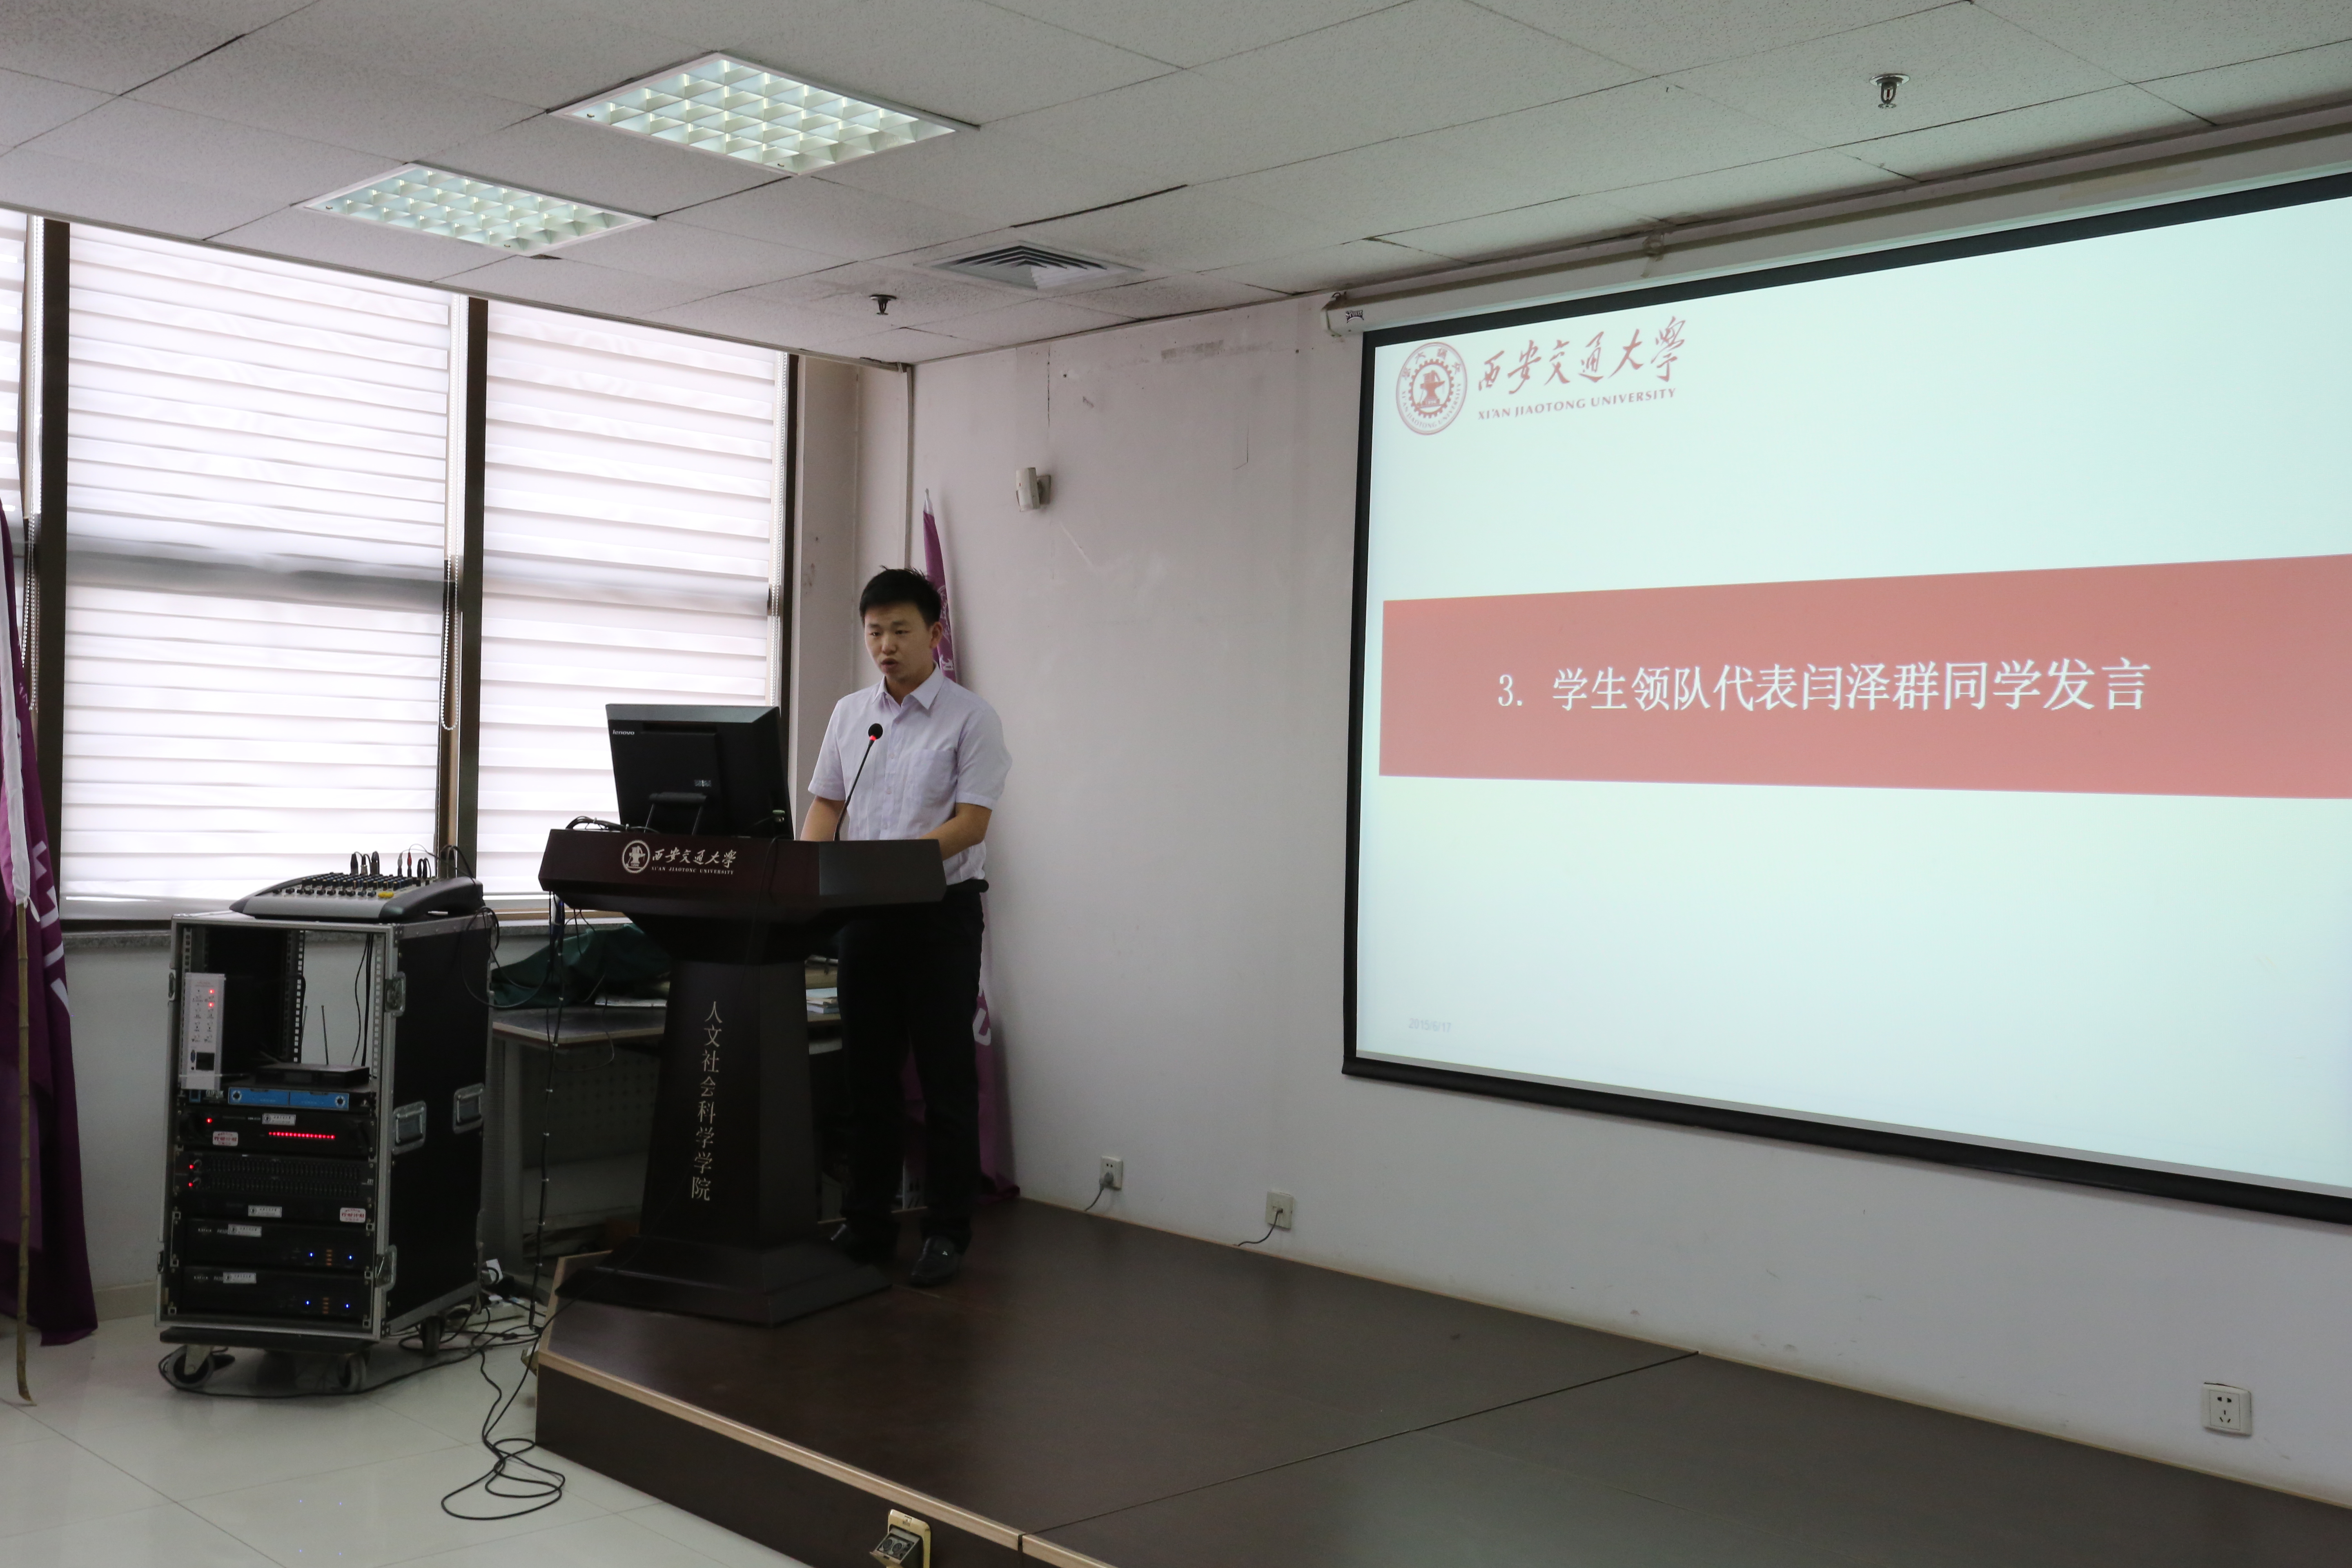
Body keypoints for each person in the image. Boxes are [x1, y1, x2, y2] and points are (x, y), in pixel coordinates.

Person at [804, 567, 1009, 1287]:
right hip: (866, 916)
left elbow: (972, 822)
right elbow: (827, 805)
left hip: (939, 915)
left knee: (945, 1076)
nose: (885, 646)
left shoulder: (971, 718)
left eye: (900, 631)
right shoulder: (851, 715)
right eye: (874, 633)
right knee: (866, 1078)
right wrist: (808, 871)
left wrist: (891, 868)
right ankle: (866, 1225)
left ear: (935, 634)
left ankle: (948, 1232)